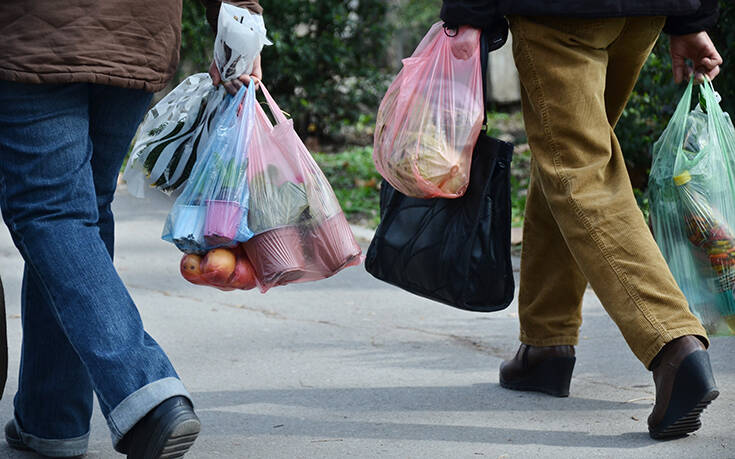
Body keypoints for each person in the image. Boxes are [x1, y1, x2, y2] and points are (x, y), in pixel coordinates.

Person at [441, 0, 722, 439]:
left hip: (561, 14)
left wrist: (466, 12)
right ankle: (546, 344)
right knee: (564, 154)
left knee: (579, 173)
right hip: (643, 12)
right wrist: (692, 17)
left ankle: (672, 343)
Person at [0, 0, 263, 457]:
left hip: (33, 36)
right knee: (81, 213)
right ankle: (52, 419)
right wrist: (240, 18)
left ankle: (144, 395)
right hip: (135, 34)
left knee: (53, 213)